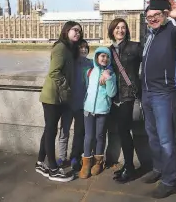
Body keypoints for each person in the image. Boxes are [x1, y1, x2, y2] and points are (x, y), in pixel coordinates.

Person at [140, 0, 176, 199]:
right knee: (152, 136)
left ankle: (169, 180)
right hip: (147, 92)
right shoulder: (149, 36)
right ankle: (158, 168)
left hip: (163, 93)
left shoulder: (172, 32)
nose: (152, 19)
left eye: (156, 15)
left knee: (165, 139)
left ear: (164, 15)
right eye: (148, 17)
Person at [35, 21, 83, 182]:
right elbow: (54, 72)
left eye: (79, 31)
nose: (77, 33)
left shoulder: (70, 49)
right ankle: (53, 169)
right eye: (74, 30)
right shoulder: (60, 47)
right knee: (51, 130)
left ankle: (40, 162)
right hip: (52, 96)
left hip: (59, 97)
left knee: (49, 129)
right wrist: (67, 88)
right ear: (66, 31)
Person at [101, 18, 143, 183]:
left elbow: (148, 64)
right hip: (115, 97)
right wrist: (103, 72)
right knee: (122, 131)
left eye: (123, 28)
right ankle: (127, 166)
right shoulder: (109, 50)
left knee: (125, 132)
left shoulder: (135, 47)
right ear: (112, 31)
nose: (120, 30)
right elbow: (100, 65)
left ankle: (130, 168)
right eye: (117, 28)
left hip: (129, 96)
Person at [79, 47, 117, 179]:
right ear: (96, 57)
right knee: (88, 137)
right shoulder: (90, 72)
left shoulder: (111, 74)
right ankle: (86, 163)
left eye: (107, 57)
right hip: (88, 109)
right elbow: (86, 89)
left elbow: (112, 93)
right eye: (102, 56)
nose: (104, 59)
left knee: (100, 136)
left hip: (103, 110)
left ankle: (98, 162)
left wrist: (108, 78)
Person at [57, 39, 93, 170]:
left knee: (79, 133)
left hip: (83, 104)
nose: (83, 50)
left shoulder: (91, 64)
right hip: (68, 104)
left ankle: (74, 157)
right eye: (81, 48)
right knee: (64, 131)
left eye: (85, 48)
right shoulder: (71, 64)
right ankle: (61, 156)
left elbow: (104, 68)